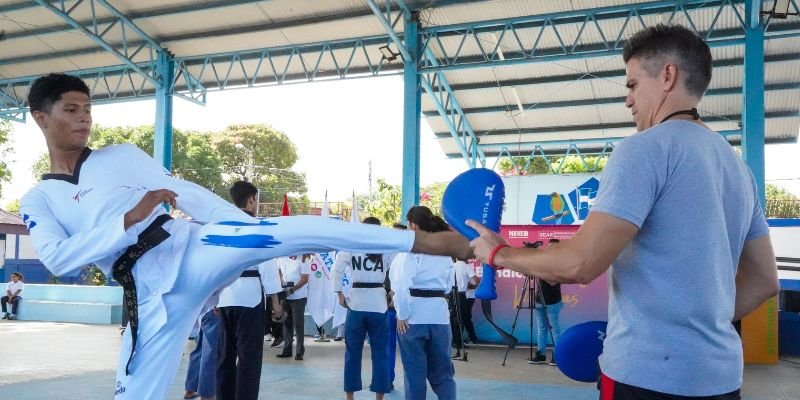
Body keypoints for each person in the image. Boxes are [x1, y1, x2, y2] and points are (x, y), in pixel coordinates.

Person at [17, 73, 469, 400]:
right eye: (70, 110)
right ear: (41, 117)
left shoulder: (120, 155)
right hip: (149, 297)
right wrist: (127, 219)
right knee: (133, 394)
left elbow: (186, 193)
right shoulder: (39, 199)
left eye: (88, 110)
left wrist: (249, 231)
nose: (84, 120)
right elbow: (59, 260)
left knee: (296, 230)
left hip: (190, 246)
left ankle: (422, 242)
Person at [466, 24, 779, 400]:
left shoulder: (644, 150)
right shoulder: (737, 167)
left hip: (645, 378)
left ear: (667, 75)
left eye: (632, 84)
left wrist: (499, 253)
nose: (628, 100)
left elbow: (580, 264)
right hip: (720, 379)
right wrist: (698, 323)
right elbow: (764, 281)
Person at [216, 181, 284, 400]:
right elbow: (267, 265)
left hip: (225, 296)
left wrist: (213, 297)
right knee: (249, 358)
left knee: (225, 356)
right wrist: (275, 301)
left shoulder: (224, 227)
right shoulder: (258, 227)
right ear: (252, 199)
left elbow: (213, 265)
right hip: (250, 298)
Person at [390, 206, 456, 400]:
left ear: (413, 225)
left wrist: (402, 313)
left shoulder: (411, 250)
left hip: (413, 317)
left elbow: (401, 285)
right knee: (443, 375)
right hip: (440, 316)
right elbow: (449, 284)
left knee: (414, 374)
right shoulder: (444, 250)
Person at [333, 216, 393, 400]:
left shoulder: (352, 245)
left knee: (352, 352)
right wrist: (394, 292)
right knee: (380, 353)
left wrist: (339, 293)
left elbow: (337, 268)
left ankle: (349, 397)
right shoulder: (386, 248)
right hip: (378, 304)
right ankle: (379, 397)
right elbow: (399, 268)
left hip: (357, 303)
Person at [528, 239, 563, 366]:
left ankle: (558, 355)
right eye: (549, 247)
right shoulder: (543, 262)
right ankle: (540, 354)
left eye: (554, 247)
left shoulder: (560, 264)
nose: (551, 250)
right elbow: (526, 273)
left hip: (553, 301)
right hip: (539, 300)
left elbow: (553, 281)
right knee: (542, 328)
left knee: (554, 329)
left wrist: (539, 271)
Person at [277, 254, 310, 360]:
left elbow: (305, 279)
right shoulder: (281, 258)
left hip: (299, 296)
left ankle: (300, 352)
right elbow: (279, 272)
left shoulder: (304, 259)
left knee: (298, 325)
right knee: (286, 324)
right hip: (285, 296)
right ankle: (287, 350)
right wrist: (282, 283)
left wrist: (292, 289)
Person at [184, 307, 221, 400]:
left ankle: (192, 388)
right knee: (211, 352)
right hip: (215, 309)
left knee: (200, 349)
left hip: (204, 309)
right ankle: (208, 394)